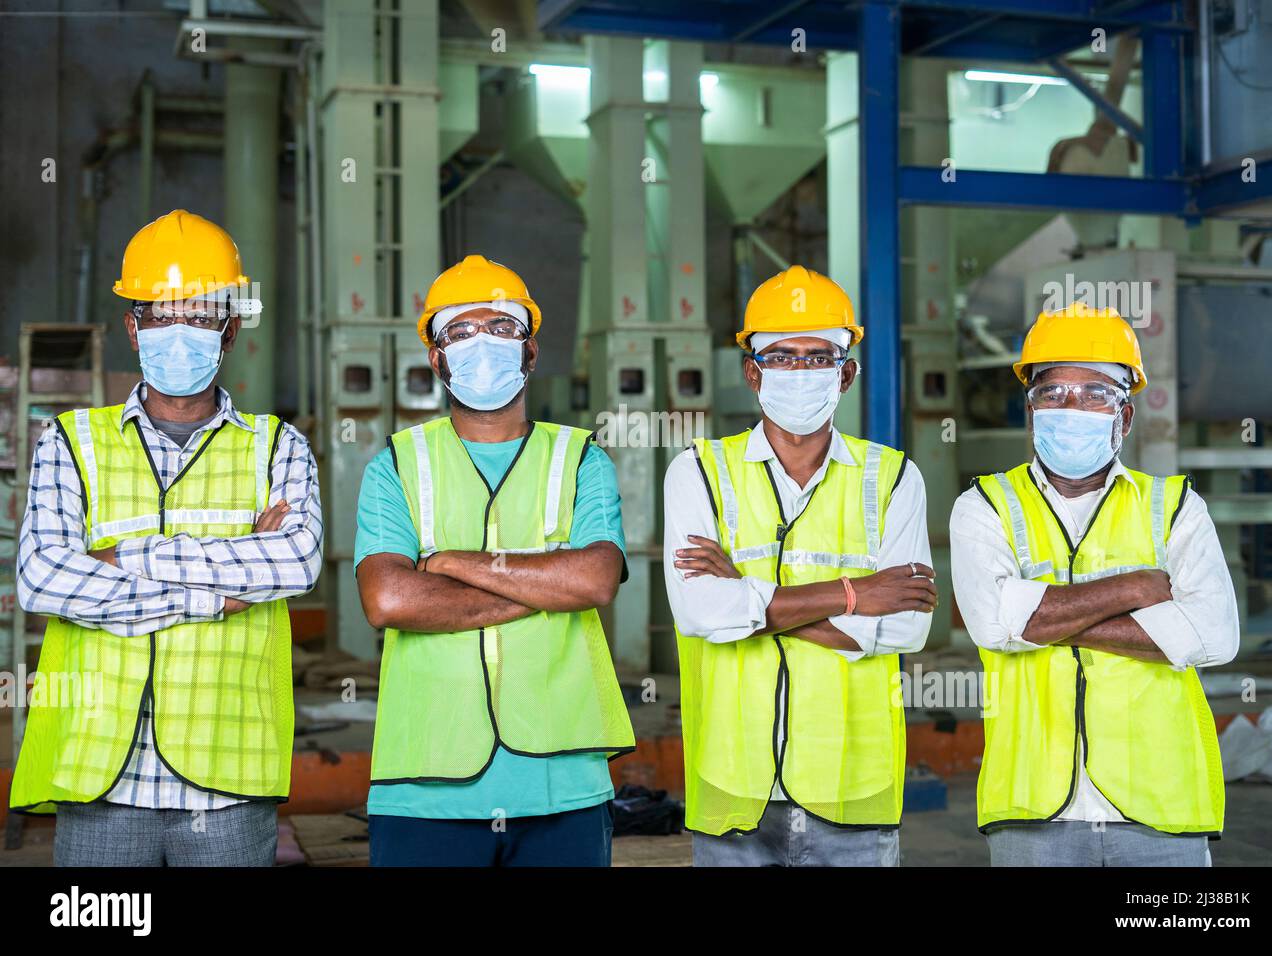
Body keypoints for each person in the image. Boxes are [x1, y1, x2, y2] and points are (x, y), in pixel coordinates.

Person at [11, 209, 322, 866]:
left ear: (230, 329)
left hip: (228, 781)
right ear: (132, 325)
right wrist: (220, 589)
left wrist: (126, 556)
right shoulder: (71, 441)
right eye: (158, 312)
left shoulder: (277, 447)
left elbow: (295, 562)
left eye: (201, 314)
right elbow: (43, 578)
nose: (178, 331)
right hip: (102, 777)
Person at [355, 254, 635, 867]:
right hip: (423, 786)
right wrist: (543, 585)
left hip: (563, 784)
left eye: (502, 329)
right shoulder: (396, 466)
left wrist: (451, 561)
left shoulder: (582, 459)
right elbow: (388, 600)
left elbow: (594, 580)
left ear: (531, 351)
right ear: (436, 358)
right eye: (459, 331)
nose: (482, 344)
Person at [665, 265, 936, 866]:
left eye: (819, 357)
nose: (800, 371)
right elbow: (702, 614)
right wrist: (851, 595)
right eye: (782, 356)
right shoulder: (698, 472)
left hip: (852, 786)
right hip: (733, 785)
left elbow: (908, 629)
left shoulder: (893, 479)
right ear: (751, 371)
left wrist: (745, 592)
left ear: (847, 373)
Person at [949, 302, 1238, 866]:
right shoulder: (984, 506)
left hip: (1159, 804)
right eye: (1052, 393)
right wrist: (1133, 587)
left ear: (1124, 417)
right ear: (1030, 410)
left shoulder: (1175, 507)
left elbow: (1214, 635)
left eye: (1095, 394)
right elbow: (992, 624)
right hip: (1033, 806)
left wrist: (1041, 617)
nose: (1071, 408)